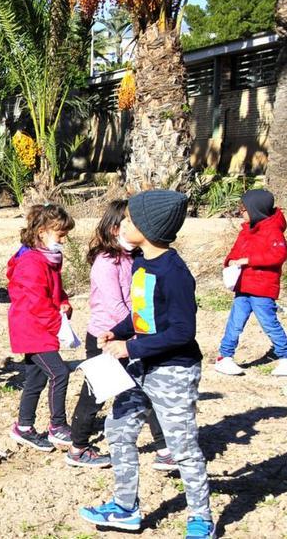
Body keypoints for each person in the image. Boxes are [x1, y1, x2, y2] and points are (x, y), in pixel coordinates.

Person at [79, 190, 214, 539]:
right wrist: (117, 331)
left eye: (130, 220)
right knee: (119, 429)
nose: (122, 224)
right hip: (141, 365)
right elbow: (141, 316)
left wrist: (131, 346)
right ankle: (125, 508)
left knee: (182, 446)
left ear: (149, 228)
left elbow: (183, 332)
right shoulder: (141, 261)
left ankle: (201, 518)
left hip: (173, 370)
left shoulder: (175, 273)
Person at [66, 200, 173, 471]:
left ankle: (164, 449)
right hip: (105, 338)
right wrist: (135, 334)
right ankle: (78, 448)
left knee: (146, 390)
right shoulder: (105, 262)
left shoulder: (135, 258)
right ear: (114, 229)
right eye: (128, 223)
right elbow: (116, 306)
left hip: (132, 338)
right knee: (95, 396)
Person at [6, 203, 75, 452]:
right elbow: (37, 303)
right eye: (60, 235)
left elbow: (55, 290)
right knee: (59, 373)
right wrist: (60, 326)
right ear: (43, 232)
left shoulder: (48, 260)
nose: (63, 241)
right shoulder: (32, 263)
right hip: (32, 329)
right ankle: (58, 426)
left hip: (38, 328)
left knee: (35, 379)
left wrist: (64, 303)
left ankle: (24, 427)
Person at [214, 189, 287, 377]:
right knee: (235, 322)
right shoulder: (246, 231)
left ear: (255, 209)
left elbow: (278, 255)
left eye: (243, 209)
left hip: (262, 288)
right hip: (243, 286)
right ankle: (224, 357)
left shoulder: (272, 230)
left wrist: (248, 260)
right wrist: (230, 262)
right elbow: (235, 252)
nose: (240, 212)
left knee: (269, 323)